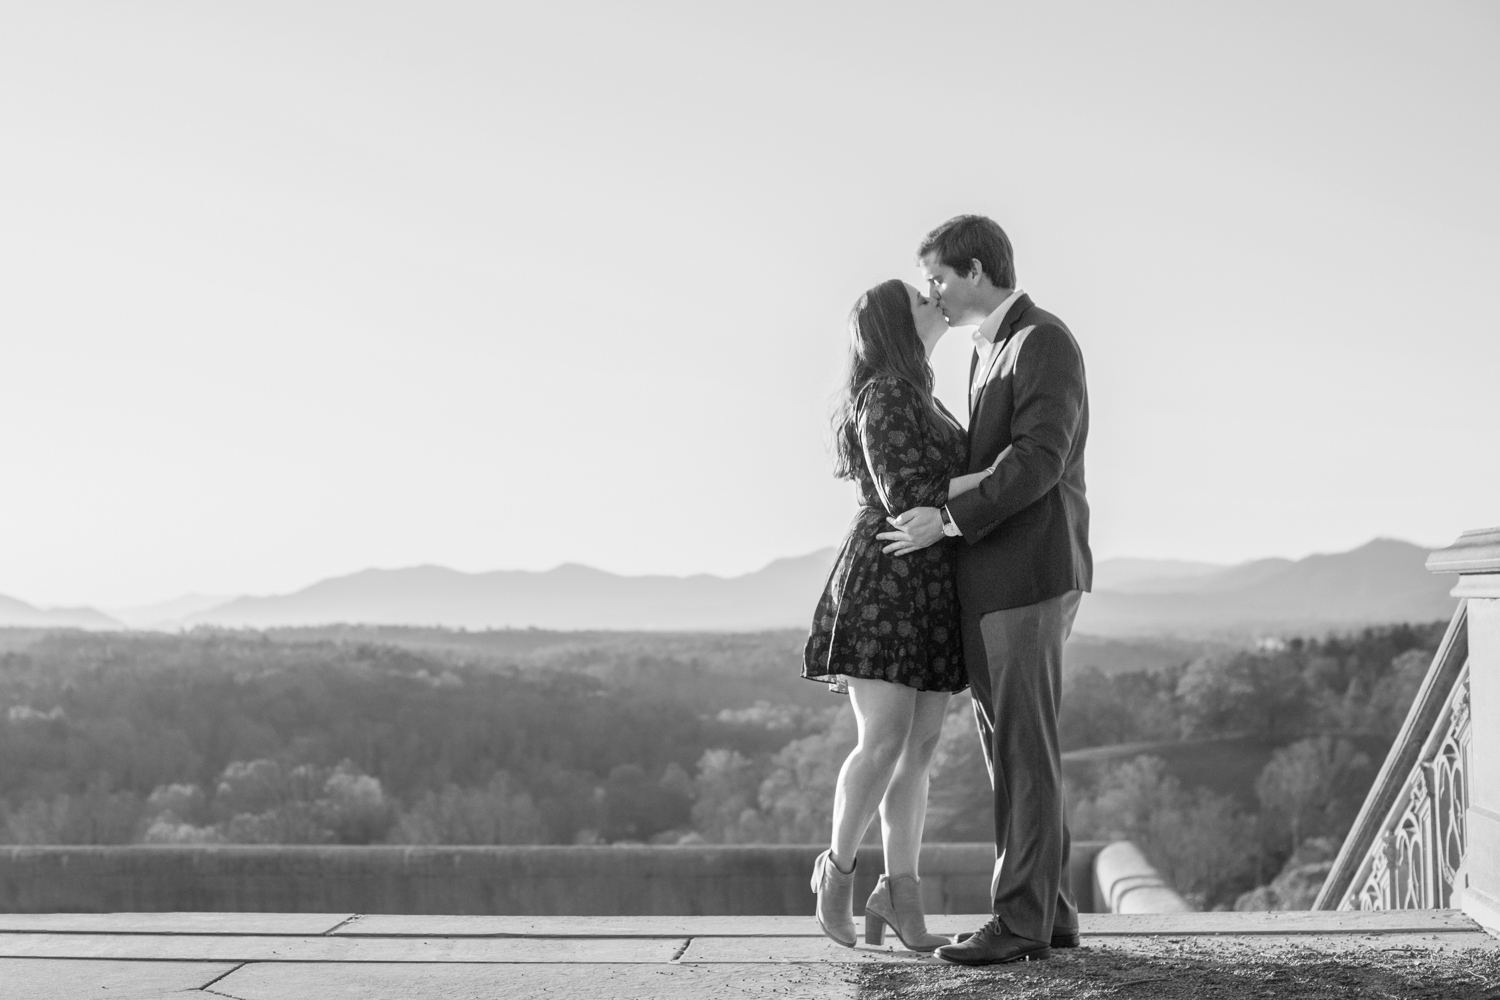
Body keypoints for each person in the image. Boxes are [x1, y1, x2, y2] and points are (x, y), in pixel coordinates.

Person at [878, 215, 1091, 966]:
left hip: (1029, 572)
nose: (932, 292)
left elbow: (1038, 459)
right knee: (1015, 753)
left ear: (972, 270)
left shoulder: (1043, 342)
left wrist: (947, 517)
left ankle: (1021, 923)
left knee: (1025, 753)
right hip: (1000, 578)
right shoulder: (991, 348)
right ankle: (1050, 913)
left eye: (937, 277)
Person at [802, 278, 996, 952]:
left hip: (930, 582)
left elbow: (931, 505)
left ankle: (900, 892)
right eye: (921, 298)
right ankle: (837, 873)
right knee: (883, 741)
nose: (933, 301)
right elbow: (906, 494)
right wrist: (999, 477)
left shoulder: (921, 395)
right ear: (895, 325)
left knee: (919, 751)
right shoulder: (884, 393)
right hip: (886, 579)